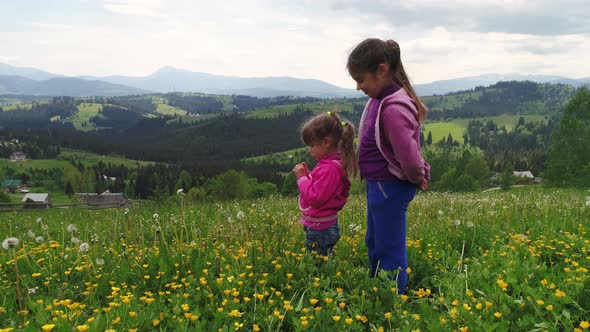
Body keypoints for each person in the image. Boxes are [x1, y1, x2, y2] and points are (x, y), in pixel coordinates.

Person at [347, 38, 430, 294]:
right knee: (374, 240)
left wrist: (418, 176)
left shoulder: (393, 108)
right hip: (379, 185)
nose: (358, 86)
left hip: (390, 186)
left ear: (381, 70)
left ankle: (392, 299)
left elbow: (409, 155)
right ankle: (379, 288)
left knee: (389, 247)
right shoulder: (380, 97)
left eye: (361, 79)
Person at [292, 111, 358, 256]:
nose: (310, 150)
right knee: (325, 257)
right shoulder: (331, 164)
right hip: (322, 226)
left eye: (312, 145)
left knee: (317, 263)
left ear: (326, 142)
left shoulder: (329, 168)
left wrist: (302, 178)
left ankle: (322, 277)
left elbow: (315, 198)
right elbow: (323, 189)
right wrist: (310, 176)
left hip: (320, 228)